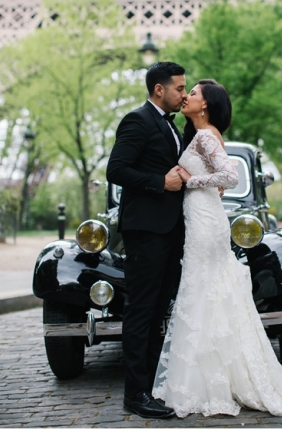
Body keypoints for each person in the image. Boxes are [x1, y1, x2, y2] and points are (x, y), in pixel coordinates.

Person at [152, 79, 282, 418]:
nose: (187, 96)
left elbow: (230, 176)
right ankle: (213, 375)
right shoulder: (200, 135)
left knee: (203, 289)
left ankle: (205, 380)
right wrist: (202, 184)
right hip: (202, 217)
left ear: (205, 105)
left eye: (193, 93)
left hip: (205, 222)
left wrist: (194, 182)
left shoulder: (206, 135)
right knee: (206, 291)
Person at [106, 61, 188, 419]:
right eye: (180, 88)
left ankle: (153, 387)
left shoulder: (170, 125)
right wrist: (160, 182)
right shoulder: (137, 120)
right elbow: (116, 169)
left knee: (158, 310)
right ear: (160, 89)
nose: (183, 94)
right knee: (140, 311)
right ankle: (135, 394)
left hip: (171, 231)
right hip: (147, 232)